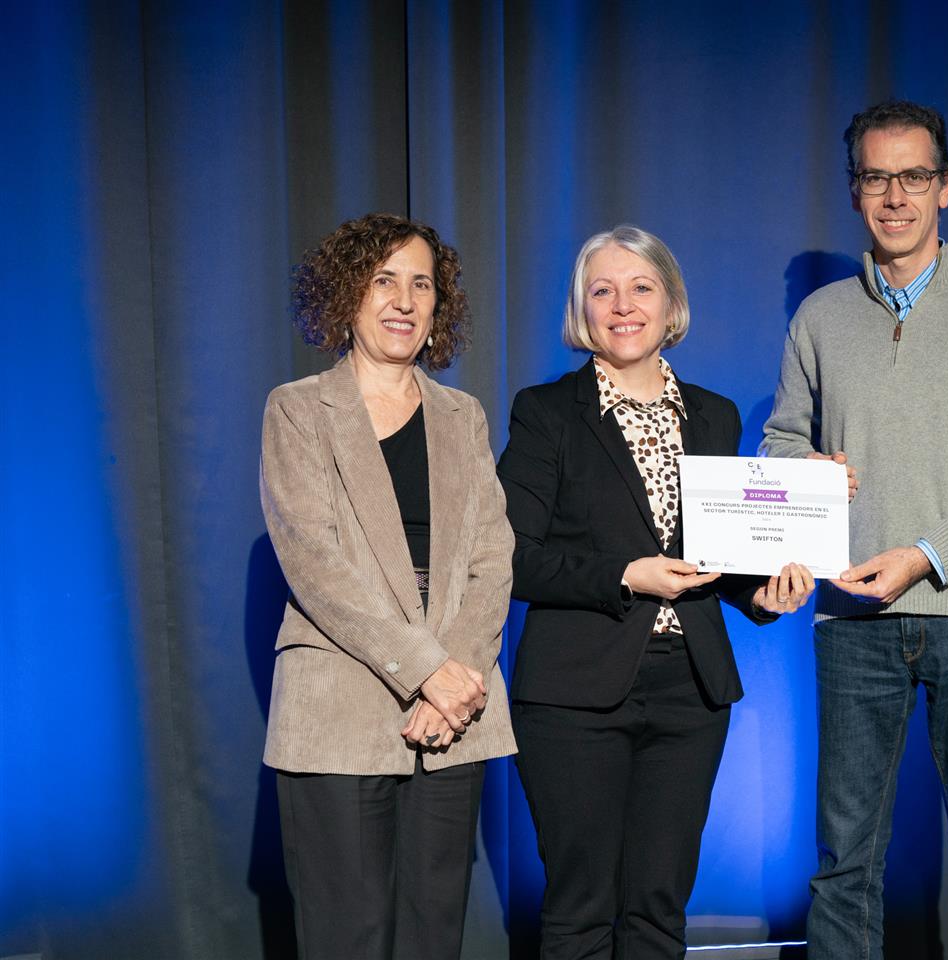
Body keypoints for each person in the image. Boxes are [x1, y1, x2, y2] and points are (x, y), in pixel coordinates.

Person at [762, 99, 948, 959]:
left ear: (946, 187)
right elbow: (784, 437)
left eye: (914, 176)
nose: (895, 195)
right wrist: (802, 474)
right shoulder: (820, 316)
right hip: (854, 616)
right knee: (844, 864)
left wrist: (929, 556)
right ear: (855, 190)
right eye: (876, 177)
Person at [497, 224, 814, 960]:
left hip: (690, 694)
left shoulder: (713, 414)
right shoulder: (546, 413)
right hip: (575, 694)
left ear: (671, 302)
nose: (622, 305)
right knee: (580, 909)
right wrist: (624, 575)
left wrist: (766, 592)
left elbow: (720, 558)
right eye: (601, 290)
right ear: (582, 310)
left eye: (641, 287)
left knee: (659, 909)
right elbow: (510, 557)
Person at [259, 213, 515, 960]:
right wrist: (426, 670)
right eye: (383, 280)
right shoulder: (299, 408)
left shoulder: (461, 415)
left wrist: (457, 679)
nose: (404, 299)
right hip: (339, 705)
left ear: (440, 306)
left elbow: (492, 557)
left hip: (453, 715)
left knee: (433, 937)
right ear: (348, 295)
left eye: (421, 284)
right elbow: (314, 561)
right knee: (349, 938)